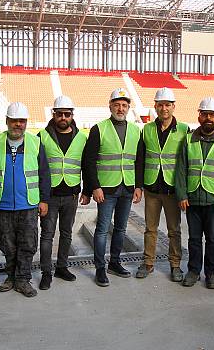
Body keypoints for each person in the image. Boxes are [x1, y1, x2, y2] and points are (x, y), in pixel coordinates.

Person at [81, 88, 143, 287]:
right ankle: (100, 268)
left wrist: (138, 186)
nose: (120, 108)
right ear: (110, 106)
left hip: (127, 187)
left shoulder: (135, 130)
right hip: (106, 188)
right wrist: (94, 187)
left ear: (128, 108)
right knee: (101, 230)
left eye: (124, 105)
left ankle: (114, 263)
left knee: (121, 228)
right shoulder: (99, 129)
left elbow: (139, 161)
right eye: (117, 104)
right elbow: (89, 161)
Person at [175, 97, 214, 289]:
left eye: (212, 115)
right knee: (193, 239)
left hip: (213, 200)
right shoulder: (188, 139)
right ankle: (193, 271)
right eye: (205, 114)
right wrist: (182, 195)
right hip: (192, 198)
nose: (208, 118)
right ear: (199, 116)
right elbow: (181, 169)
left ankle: (211, 273)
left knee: (212, 239)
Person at [0, 102, 51, 298]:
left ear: (26, 123)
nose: (18, 124)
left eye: (22, 121)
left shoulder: (35, 143)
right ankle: (11, 276)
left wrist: (44, 200)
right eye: (14, 120)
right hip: (3, 203)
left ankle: (23, 279)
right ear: (7, 121)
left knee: (28, 243)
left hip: (29, 204)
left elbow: (44, 173)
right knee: (7, 243)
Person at [135, 87, 189, 282]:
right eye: (160, 105)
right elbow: (140, 159)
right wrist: (139, 186)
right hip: (151, 188)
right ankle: (148, 262)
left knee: (174, 229)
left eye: (167, 105)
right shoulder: (147, 129)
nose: (164, 108)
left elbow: (186, 162)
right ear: (155, 107)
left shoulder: (183, 130)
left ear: (173, 106)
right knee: (150, 228)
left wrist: (184, 191)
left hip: (172, 189)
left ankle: (175, 265)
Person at [38, 95, 87, 290]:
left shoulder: (82, 138)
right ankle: (46, 272)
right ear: (54, 115)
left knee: (66, 233)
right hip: (49, 196)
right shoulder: (41, 136)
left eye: (67, 114)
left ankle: (62, 267)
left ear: (72, 115)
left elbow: (86, 165)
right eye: (60, 114)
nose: (63, 117)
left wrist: (87, 191)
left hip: (71, 195)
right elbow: (37, 167)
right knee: (47, 235)